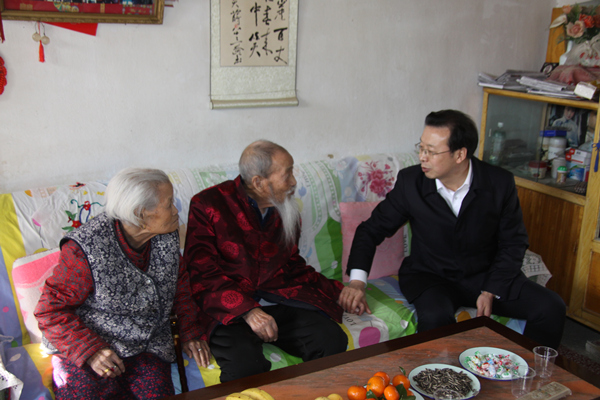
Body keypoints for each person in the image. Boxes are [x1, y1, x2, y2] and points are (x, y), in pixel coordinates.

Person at [345, 110, 566, 349]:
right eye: (421, 148)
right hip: (431, 277)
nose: (422, 157)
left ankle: (528, 368)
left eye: (431, 151)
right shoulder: (412, 183)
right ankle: (435, 373)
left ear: (460, 154)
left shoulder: (498, 183)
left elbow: (514, 242)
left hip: (485, 275)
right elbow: (371, 230)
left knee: (550, 307)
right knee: (435, 319)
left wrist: (491, 290)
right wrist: (357, 282)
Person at [35, 168, 212, 399]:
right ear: (140, 214)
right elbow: (50, 310)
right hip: (91, 340)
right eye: (169, 204)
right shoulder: (86, 249)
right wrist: (91, 350)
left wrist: (189, 331)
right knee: (87, 394)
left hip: (146, 344)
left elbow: (180, 289)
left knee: (157, 394)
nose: (176, 211)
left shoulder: (166, 235)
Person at [183, 140, 350, 382]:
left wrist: (338, 291)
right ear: (259, 182)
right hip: (229, 311)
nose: (293, 182)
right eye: (287, 174)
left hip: (278, 299)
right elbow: (201, 272)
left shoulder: (285, 208)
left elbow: (292, 264)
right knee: (245, 368)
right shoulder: (207, 204)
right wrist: (247, 311)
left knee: (331, 340)